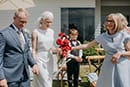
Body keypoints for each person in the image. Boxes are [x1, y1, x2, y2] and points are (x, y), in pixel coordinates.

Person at [72, 13, 130, 87]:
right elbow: (87, 45)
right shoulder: (103, 37)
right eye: (107, 21)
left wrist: (120, 54)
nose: (108, 23)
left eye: (112, 21)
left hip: (122, 66)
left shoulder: (124, 35)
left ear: (117, 22)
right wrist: (72, 48)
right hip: (108, 65)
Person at [0, 8, 39, 87]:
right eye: (21, 21)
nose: (23, 24)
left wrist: (33, 64)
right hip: (10, 78)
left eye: (25, 22)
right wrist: (1, 78)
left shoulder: (24, 33)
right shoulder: (4, 34)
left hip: (25, 78)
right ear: (14, 18)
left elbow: (26, 51)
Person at [31, 11, 58, 87]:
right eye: (47, 22)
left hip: (49, 59)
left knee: (47, 80)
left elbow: (51, 46)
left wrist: (58, 50)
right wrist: (34, 63)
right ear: (42, 20)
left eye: (50, 22)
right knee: (45, 83)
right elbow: (34, 49)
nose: (49, 24)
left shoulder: (51, 32)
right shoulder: (35, 32)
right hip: (39, 59)